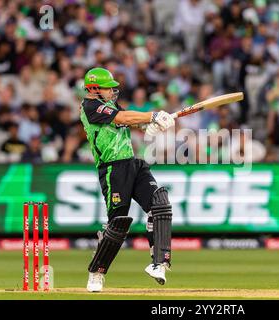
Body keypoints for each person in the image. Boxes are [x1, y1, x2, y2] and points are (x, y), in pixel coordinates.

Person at [80, 67, 175, 292]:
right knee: (118, 223)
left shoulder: (110, 105)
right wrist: (151, 115)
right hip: (112, 168)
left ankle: (159, 263)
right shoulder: (90, 106)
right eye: (108, 88)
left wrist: (147, 126)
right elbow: (122, 118)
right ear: (94, 88)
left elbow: (125, 121)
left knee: (160, 204)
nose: (112, 91)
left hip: (133, 163)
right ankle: (96, 272)